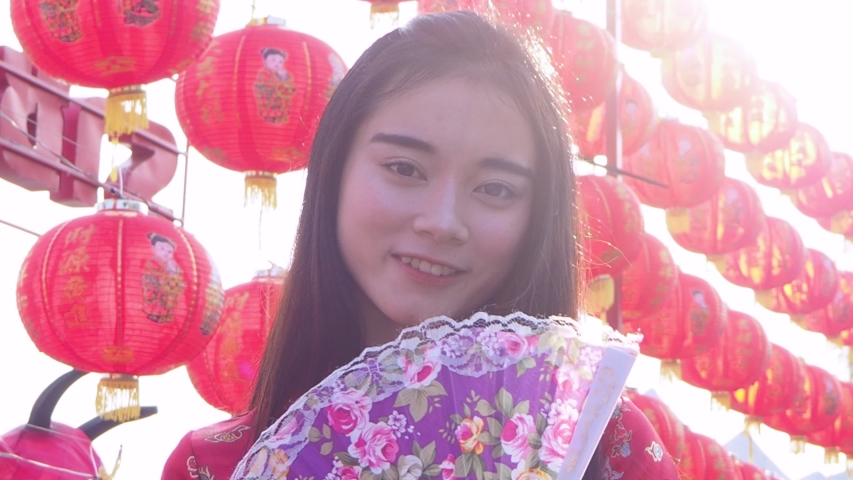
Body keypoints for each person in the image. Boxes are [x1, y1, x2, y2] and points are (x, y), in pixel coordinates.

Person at [163, 11, 681, 480]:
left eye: (495, 189)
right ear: (334, 171)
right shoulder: (214, 468)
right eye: (404, 169)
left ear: (538, 217)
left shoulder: (607, 449)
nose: (442, 221)